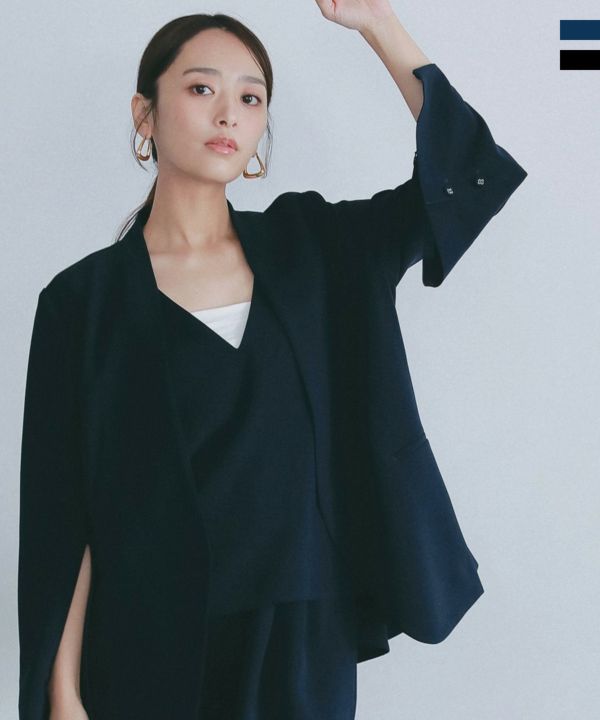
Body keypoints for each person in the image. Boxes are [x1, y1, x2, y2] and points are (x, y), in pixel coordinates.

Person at [18, 5, 527, 720]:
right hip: (149, 647)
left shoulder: (318, 249)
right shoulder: (83, 302)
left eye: (251, 97)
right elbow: (63, 516)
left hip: (301, 641)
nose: (228, 113)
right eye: (201, 88)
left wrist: (379, 25)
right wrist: (63, 693)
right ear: (144, 114)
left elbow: (469, 176)